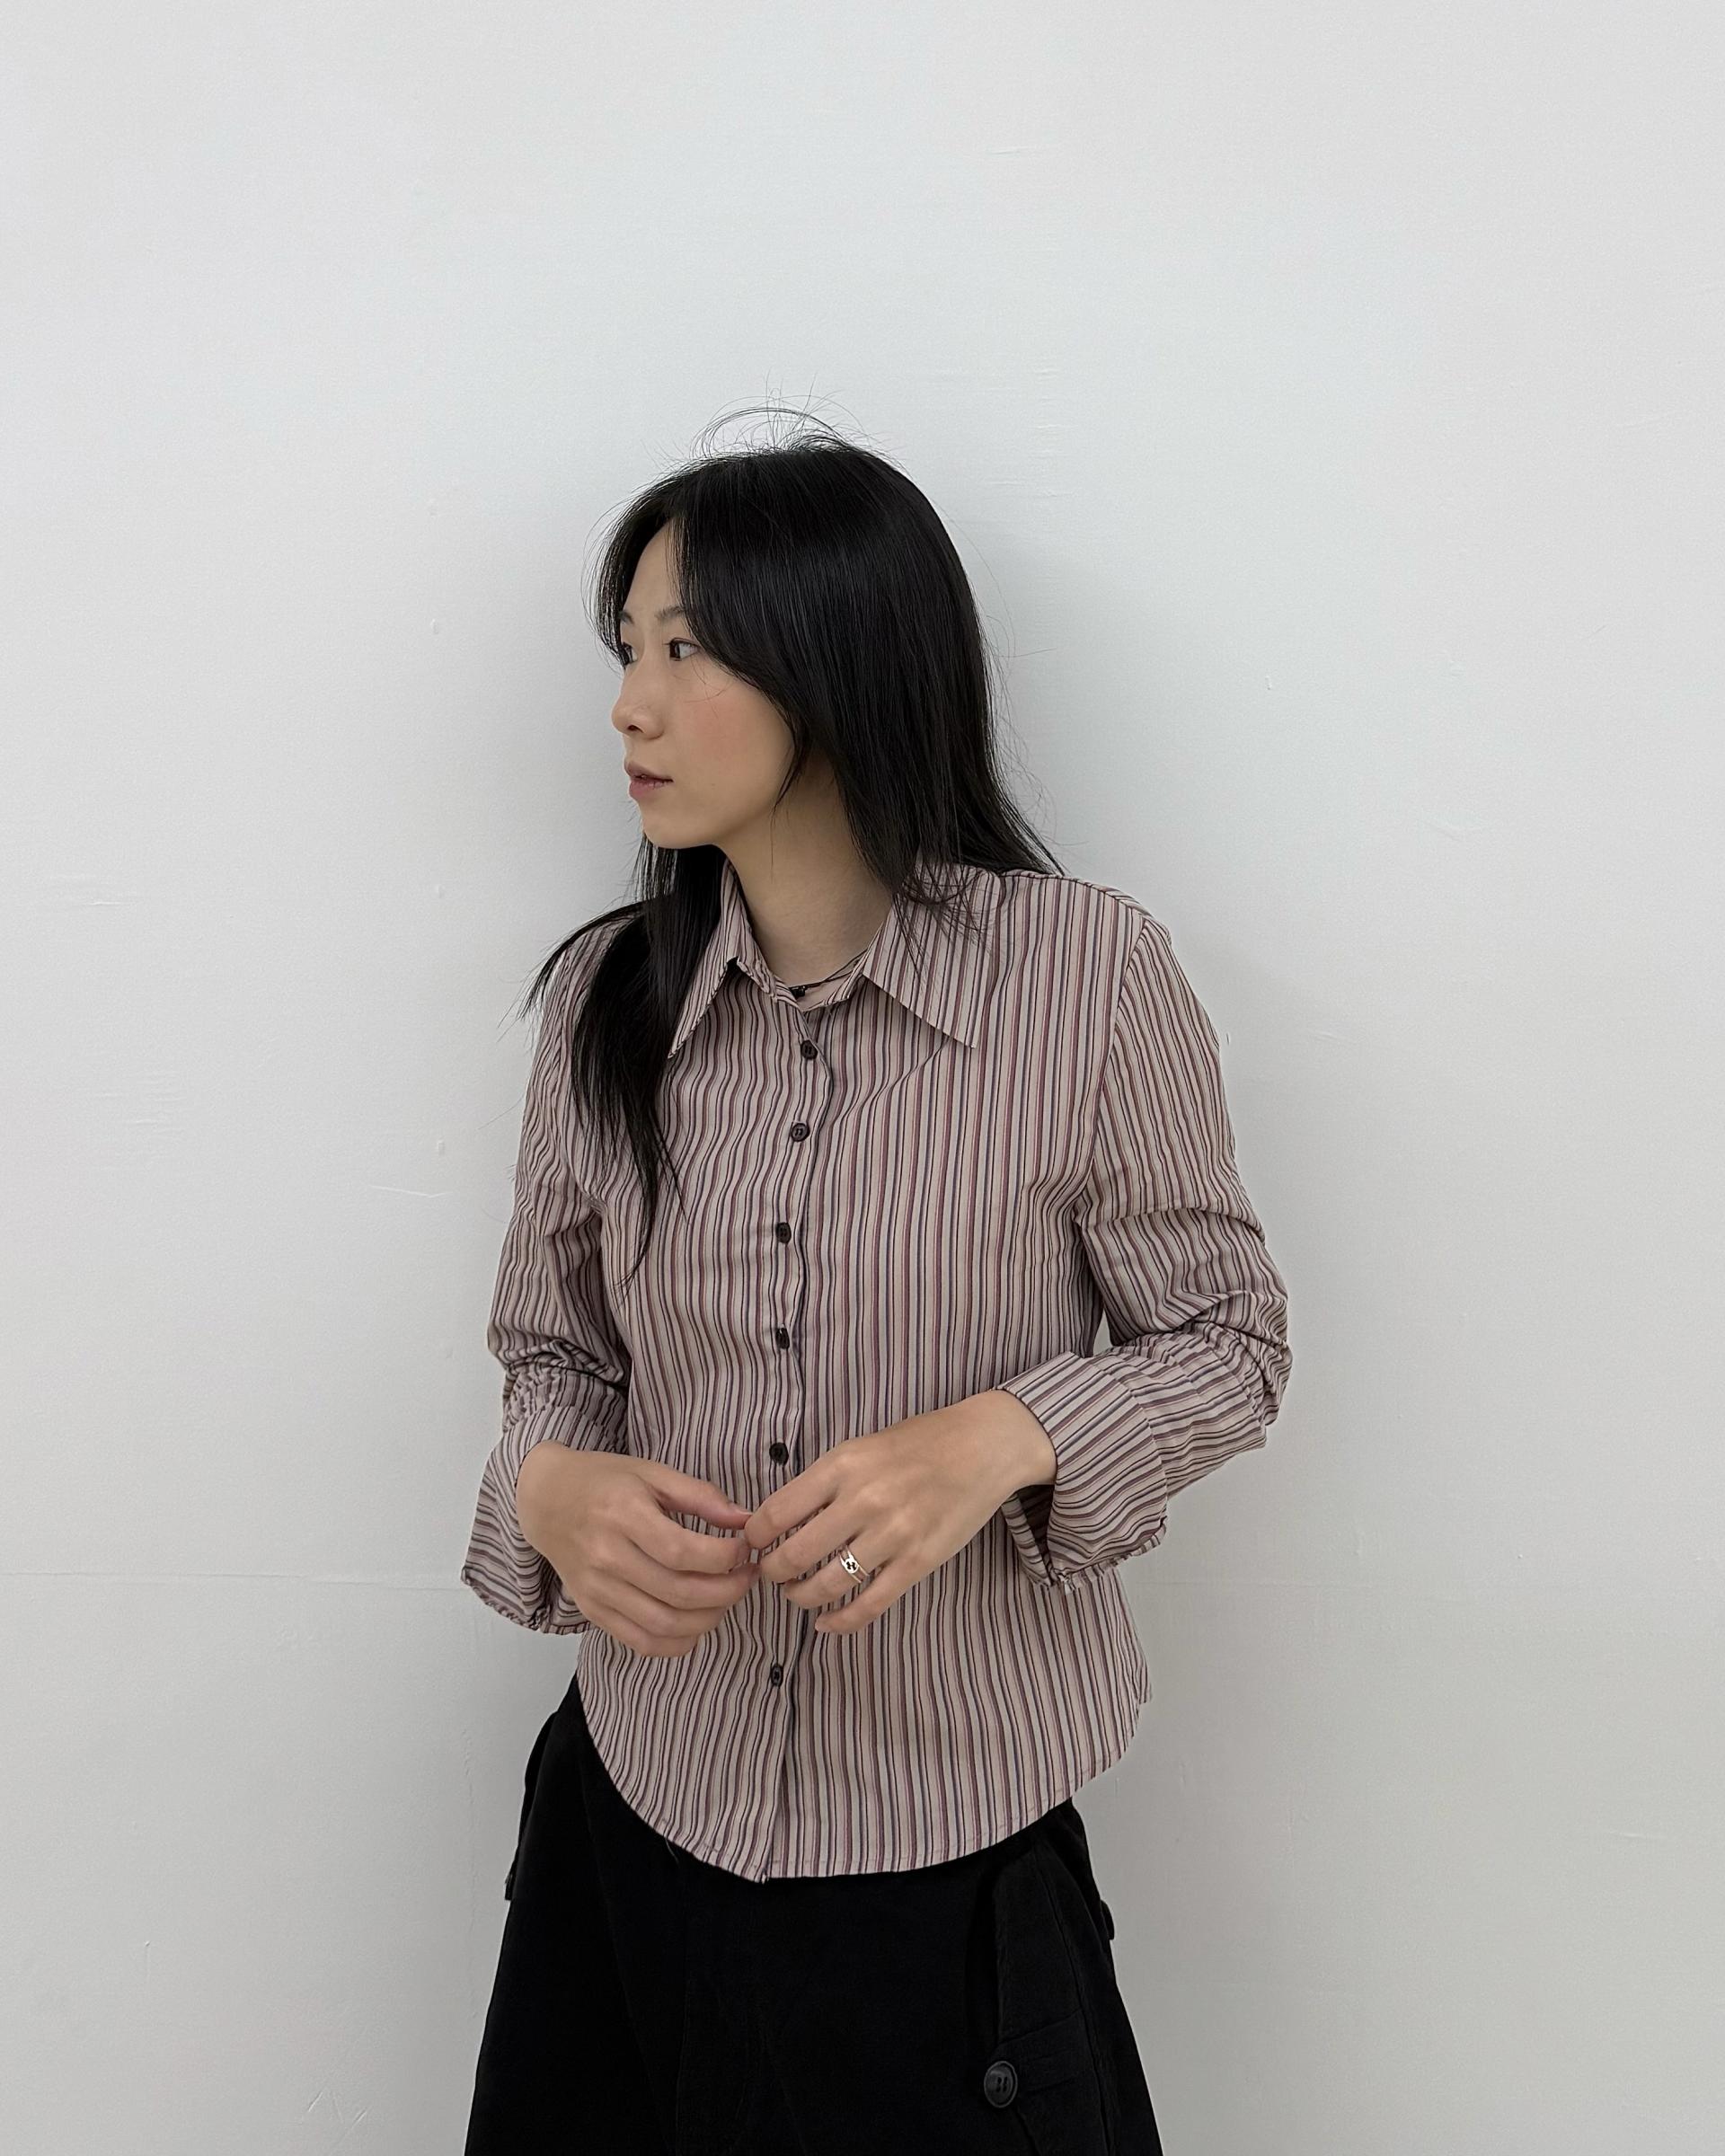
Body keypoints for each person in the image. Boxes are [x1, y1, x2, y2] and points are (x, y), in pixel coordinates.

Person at [459, 411, 1293, 2152]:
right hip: (631, 1822)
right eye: (626, 651)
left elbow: (1228, 1339)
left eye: (684, 649)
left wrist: (1005, 1435)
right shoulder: (606, 1003)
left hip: (945, 1866)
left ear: (835, 655)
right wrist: (551, 1487)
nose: (629, 706)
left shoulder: (1088, 978)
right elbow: (554, 1350)